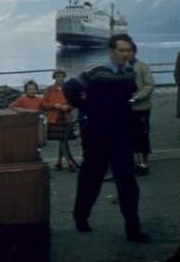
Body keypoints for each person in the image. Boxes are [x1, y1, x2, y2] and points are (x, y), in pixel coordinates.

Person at [62, 33, 151, 243]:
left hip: (122, 132)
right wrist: (86, 109)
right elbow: (69, 88)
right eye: (121, 50)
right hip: (96, 132)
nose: (125, 54)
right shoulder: (96, 71)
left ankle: (133, 228)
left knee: (127, 180)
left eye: (129, 50)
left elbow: (127, 99)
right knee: (91, 176)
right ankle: (81, 216)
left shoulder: (129, 73)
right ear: (111, 51)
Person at [41, 68, 75, 172]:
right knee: (62, 141)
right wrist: (54, 105)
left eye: (62, 76)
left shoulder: (69, 88)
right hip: (55, 117)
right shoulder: (49, 89)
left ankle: (59, 162)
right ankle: (69, 162)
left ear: (65, 77)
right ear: (54, 77)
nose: (60, 78)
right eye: (58, 76)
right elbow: (43, 103)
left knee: (63, 141)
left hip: (65, 117)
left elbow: (74, 102)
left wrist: (68, 107)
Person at [130, 43, 155, 176]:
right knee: (130, 135)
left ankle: (143, 163)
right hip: (126, 109)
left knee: (142, 135)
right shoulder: (121, 67)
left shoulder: (142, 66)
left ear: (134, 52)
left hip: (141, 108)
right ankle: (134, 161)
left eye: (129, 51)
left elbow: (149, 85)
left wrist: (137, 97)